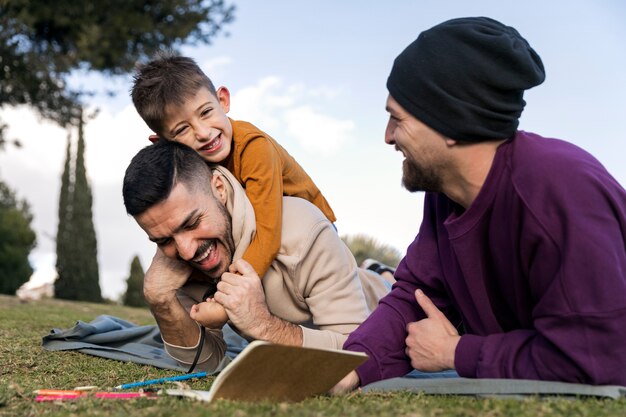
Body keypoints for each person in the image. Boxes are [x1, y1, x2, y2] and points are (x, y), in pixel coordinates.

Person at [334, 16, 626, 391]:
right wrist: (353, 366)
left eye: (397, 119)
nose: (388, 137)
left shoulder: (559, 192)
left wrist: (456, 353)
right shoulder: (447, 194)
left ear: (452, 123)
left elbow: (599, 358)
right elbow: (415, 294)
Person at [122, 140, 390, 371]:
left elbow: (356, 356)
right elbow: (205, 365)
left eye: (192, 223)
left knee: (390, 285)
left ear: (219, 188)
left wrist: (262, 326)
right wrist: (160, 301)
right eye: (164, 239)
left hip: (382, 298)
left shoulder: (303, 228)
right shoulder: (178, 261)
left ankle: (381, 272)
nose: (187, 251)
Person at [130, 52, 336, 327]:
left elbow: (268, 235)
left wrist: (226, 303)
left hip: (310, 237)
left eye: (206, 112)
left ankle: (377, 275)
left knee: (314, 310)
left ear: (223, 100)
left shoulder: (254, 148)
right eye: (182, 130)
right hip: (258, 238)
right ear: (164, 144)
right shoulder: (196, 171)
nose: (203, 133)